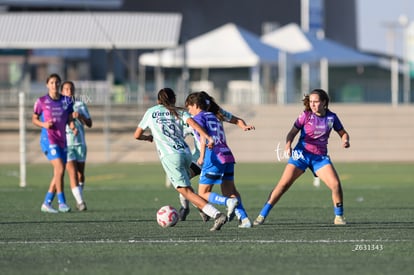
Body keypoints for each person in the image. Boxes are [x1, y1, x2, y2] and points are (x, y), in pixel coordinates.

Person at [134, 87, 227, 231]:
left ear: (158, 100)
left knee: (185, 191)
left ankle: (216, 214)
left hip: (170, 156)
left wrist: (147, 138)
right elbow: (194, 124)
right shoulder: (180, 111)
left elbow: (137, 135)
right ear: (174, 99)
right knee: (186, 187)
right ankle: (201, 208)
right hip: (186, 153)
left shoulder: (151, 112)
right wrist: (207, 136)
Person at [253, 89, 350, 226]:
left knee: (335, 184)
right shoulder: (305, 115)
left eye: (316, 102)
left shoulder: (332, 117)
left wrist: (345, 140)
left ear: (324, 102)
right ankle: (262, 215)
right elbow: (291, 133)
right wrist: (288, 145)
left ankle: (339, 217)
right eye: (311, 102)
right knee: (283, 185)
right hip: (301, 155)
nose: (313, 105)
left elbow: (343, 133)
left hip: (319, 158)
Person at [180, 91, 253, 228]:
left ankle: (227, 202)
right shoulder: (215, 115)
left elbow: (203, 137)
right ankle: (244, 220)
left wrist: (201, 156)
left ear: (195, 105)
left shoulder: (197, 119)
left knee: (203, 193)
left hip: (213, 158)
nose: (189, 111)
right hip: (228, 156)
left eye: (189, 107)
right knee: (230, 190)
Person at [32, 73, 75, 213]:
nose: (54, 85)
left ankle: (47, 202)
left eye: (57, 82)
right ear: (47, 85)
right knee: (60, 169)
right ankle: (62, 202)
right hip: (48, 139)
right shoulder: (41, 101)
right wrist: (43, 124)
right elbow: (34, 119)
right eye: (51, 82)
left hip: (62, 140)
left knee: (58, 172)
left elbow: (69, 118)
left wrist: (73, 127)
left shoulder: (67, 101)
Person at [61, 81, 92, 211]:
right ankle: (80, 202)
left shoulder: (80, 104)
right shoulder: (59, 106)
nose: (69, 91)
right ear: (62, 91)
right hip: (66, 143)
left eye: (71, 89)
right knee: (72, 173)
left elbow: (89, 123)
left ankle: (79, 197)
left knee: (80, 175)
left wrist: (81, 117)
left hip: (80, 143)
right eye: (66, 89)